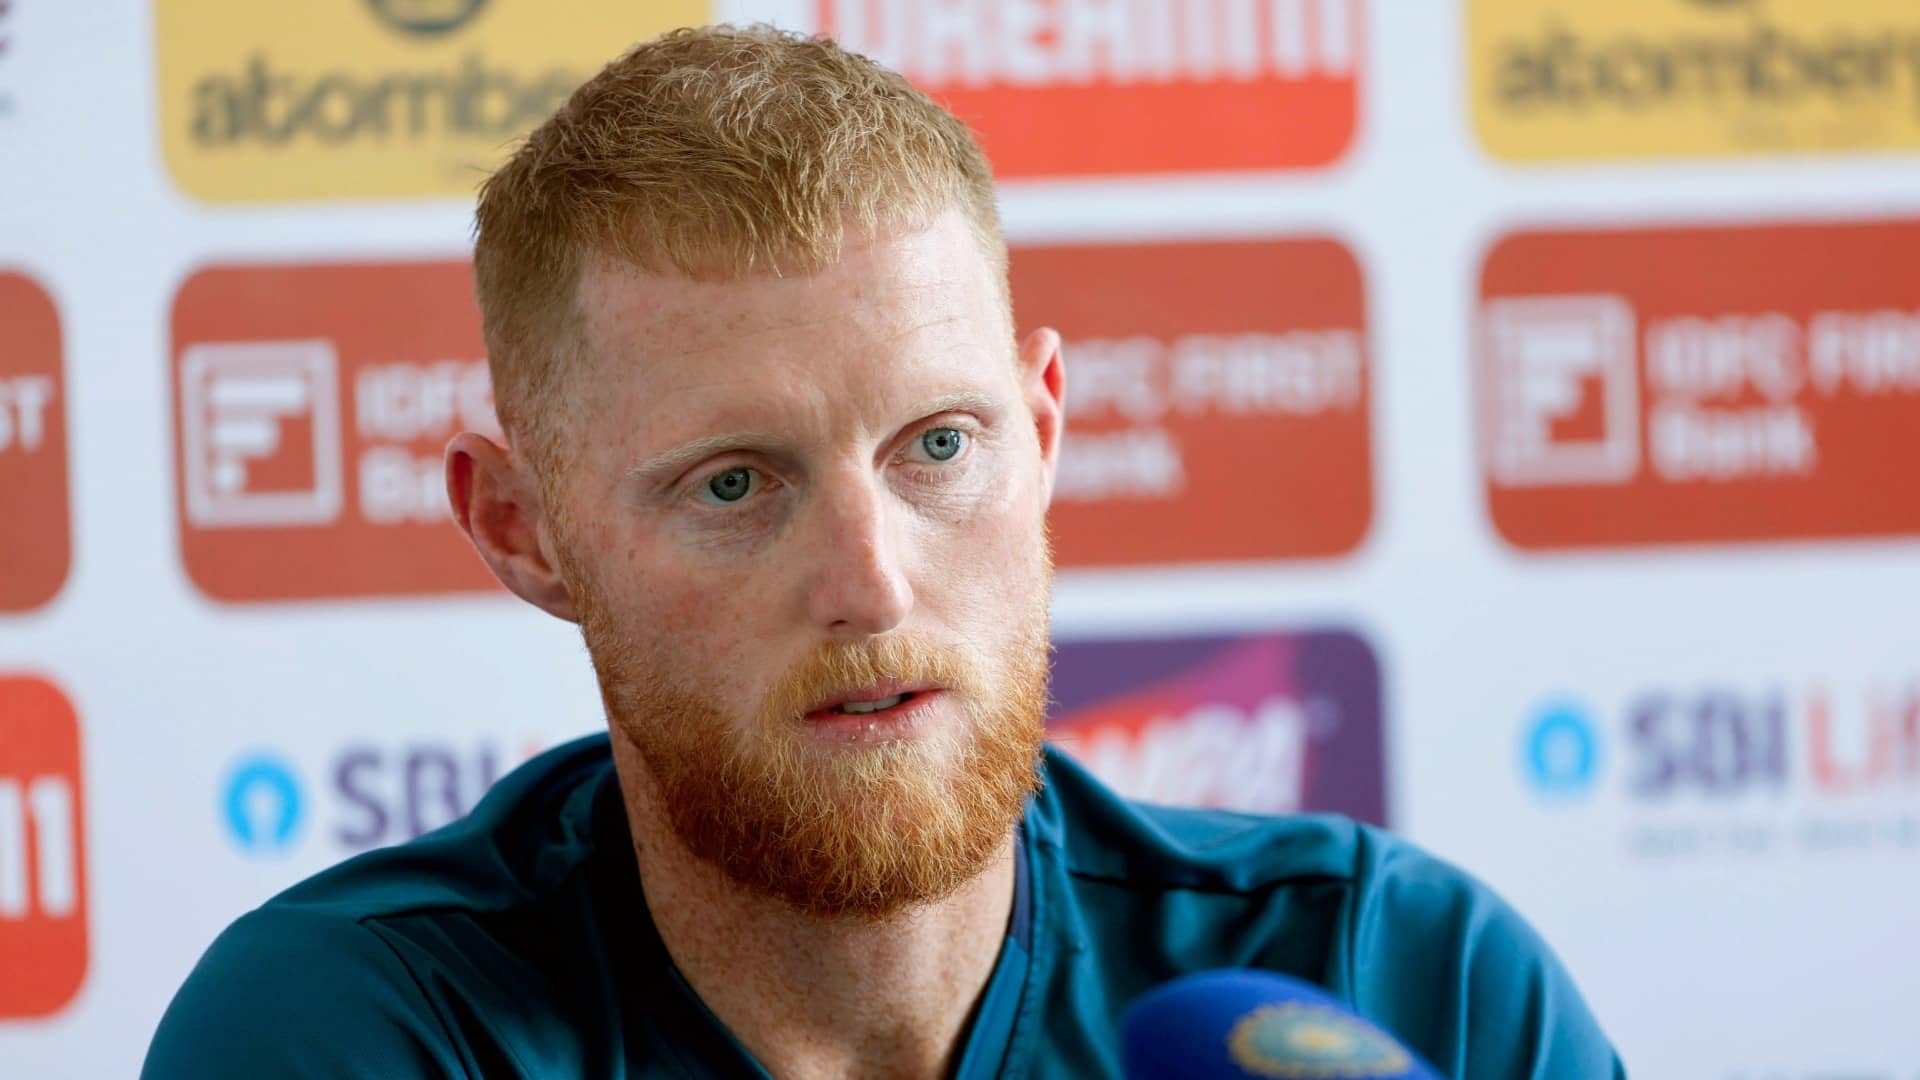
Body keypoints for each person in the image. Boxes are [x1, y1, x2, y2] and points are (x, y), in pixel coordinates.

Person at [143, 24, 1624, 1080]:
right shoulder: (362, 1030)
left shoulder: (1396, 980)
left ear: (1042, 434)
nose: (872, 584)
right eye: (734, 485)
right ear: (523, 532)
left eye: (940, 448)